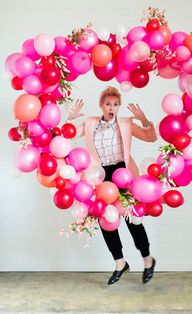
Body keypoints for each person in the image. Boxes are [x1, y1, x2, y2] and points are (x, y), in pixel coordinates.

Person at [68, 86, 157, 285]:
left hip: (123, 173)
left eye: (115, 104)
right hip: (101, 176)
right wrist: (71, 118)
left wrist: (143, 119)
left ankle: (148, 260)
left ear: (119, 107)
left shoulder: (126, 123)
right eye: (108, 104)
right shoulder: (90, 123)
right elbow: (68, 135)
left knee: (132, 218)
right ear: (101, 105)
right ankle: (119, 263)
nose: (112, 107)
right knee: (107, 221)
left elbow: (151, 137)